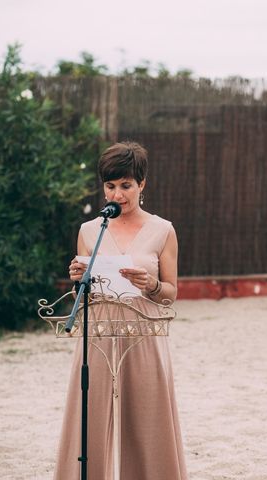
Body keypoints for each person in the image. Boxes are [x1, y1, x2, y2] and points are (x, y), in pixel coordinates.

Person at [55, 141, 187, 479]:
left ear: (142, 184)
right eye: (110, 186)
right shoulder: (89, 230)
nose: (117, 195)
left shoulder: (163, 230)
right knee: (90, 418)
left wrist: (151, 285)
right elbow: (82, 296)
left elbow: (171, 294)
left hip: (144, 332)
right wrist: (77, 281)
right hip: (97, 334)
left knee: (148, 418)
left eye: (126, 185)